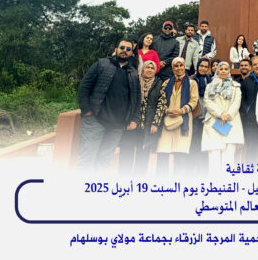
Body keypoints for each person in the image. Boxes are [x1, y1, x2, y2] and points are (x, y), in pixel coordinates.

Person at [77, 39, 141, 170]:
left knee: (104, 160)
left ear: (131, 53)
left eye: (128, 49)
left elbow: (137, 98)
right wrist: (87, 111)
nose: (124, 51)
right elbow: (84, 87)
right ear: (116, 49)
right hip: (95, 121)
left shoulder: (133, 73)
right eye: (122, 47)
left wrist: (134, 118)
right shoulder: (101, 64)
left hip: (117, 126)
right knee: (86, 158)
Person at [118, 60, 165, 175]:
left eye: (152, 68)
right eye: (147, 67)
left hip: (147, 125)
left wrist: (155, 123)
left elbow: (161, 104)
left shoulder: (159, 84)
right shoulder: (135, 81)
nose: (149, 70)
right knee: (126, 153)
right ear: (142, 69)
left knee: (143, 156)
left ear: (155, 71)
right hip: (132, 123)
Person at [156, 57, 199, 175]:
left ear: (184, 66)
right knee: (162, 152)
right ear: (172, 68)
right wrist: (166, 110)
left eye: (181, 65)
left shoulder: (192, 83)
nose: (179, 68)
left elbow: (194, 101)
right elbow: (161, 100)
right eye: (176, 66)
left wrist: (181, 111)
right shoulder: (166, 83)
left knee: (180, 154)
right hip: (167, 121)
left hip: (183, 121)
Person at [202, 61, 244, 174]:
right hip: (214, 121)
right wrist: (220, 114)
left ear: (229, 71)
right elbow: (207, 101)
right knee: (214, 153)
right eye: (221, 69)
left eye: (226, 69)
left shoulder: (235, 86)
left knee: (229, 154)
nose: (223, 71)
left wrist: (227, 115)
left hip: (231, 122)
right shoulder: (210, 86)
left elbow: (236, 102)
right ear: (217, 71)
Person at [240, 55, 258, 163]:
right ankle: (250, 169)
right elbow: (242, 99)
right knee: (252, 147)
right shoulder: (246, 80)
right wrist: (247, 111)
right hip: (251, 120)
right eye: (255, 64)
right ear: (251, 67)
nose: (257, 66)